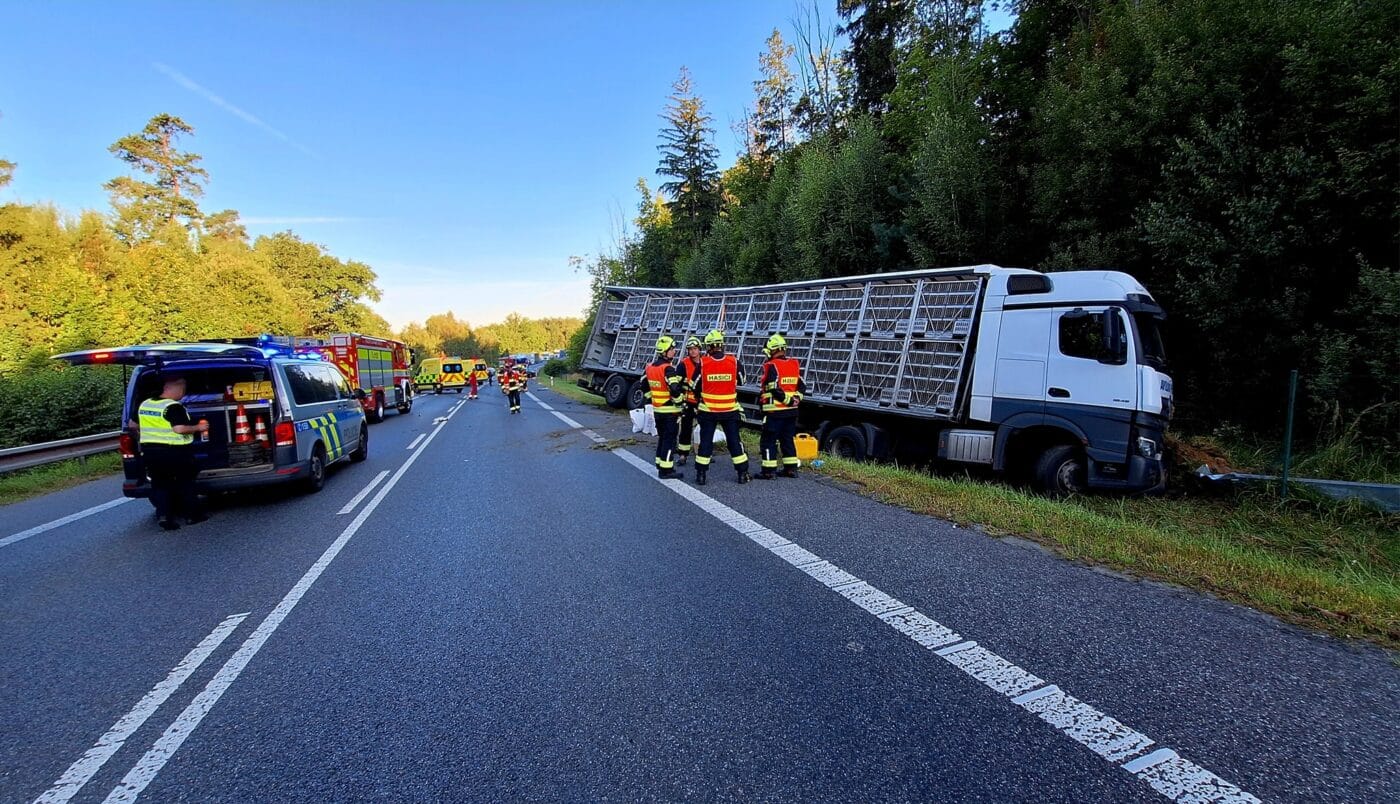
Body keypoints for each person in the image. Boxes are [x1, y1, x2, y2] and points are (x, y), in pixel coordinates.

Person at [134, 374, 209, 530]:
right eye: (182, 387)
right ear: (171, 387)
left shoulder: (145, 404)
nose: (183, 391)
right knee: (186, 483)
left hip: (150, 452)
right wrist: (198, 428)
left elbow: (132, 424)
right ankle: (192, 516)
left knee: (160, 485)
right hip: (174, 452)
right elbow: (179, 429)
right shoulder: (172, 406)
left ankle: (164, 517)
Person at [691, 329, 749, 485]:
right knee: (734, 441)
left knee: (706, 442)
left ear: (709, 347)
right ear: (722, 345)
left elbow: (694, 385)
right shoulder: (734, 361)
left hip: (708, 411)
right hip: (729, 410)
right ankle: (742, 473)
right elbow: (742, 381)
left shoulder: (703, 363)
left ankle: (701, 475)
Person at [756, 333, 806, 479]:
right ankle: (791, 469)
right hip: (791, 413)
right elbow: (802, 385)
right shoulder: (794, 364)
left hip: (775, 412)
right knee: (787, 440)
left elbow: (773, 388)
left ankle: (768, 471)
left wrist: (788, 400)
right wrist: (796, 399)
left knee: (768, 441)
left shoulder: (771, 366)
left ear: (773, 350)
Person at [645, 335, 685, 479]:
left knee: (662, 438)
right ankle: (666, 470)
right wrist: (680, 401)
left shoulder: (650, 368)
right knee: (669, 440)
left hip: (657, 410)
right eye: (672, 349)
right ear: (665, 352)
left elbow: (644, 384)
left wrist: (652, 398)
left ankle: (659, 463)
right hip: (670, 412)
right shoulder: (667, 369)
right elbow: (674, 388)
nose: (674, 351)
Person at [675, 336, 703, 466]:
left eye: (695, 349)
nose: (692, 351)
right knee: (686, 428)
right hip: (688, 402)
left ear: (699, 350)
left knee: (705, 428)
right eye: (690, 349)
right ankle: (683, 454)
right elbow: (677, 384)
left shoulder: (705, 363)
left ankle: (703, 453)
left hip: (702, 402)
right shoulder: (683, 364)